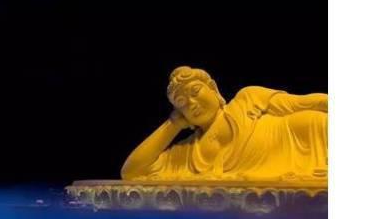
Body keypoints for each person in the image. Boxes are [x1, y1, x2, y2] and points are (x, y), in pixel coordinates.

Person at [121, 66, 328, 183]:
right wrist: (173, 124)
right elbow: (132, 172)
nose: (191, 103)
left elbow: (303, 103)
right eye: (182, 102)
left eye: (195, 91)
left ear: (213, 88)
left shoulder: (248, 99)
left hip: (314, 134)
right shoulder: (188, 153)